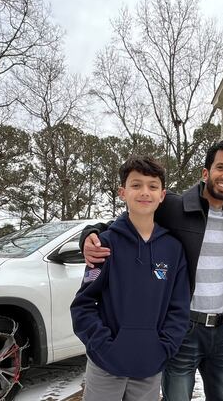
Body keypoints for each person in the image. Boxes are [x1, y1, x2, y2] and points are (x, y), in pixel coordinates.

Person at [82, 140, 223, 401]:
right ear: (205, 172)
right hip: (185, 330)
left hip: (219, 329)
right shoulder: (176, 207)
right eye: (221, 167)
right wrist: (90, 234)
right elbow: (131, 218)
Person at [70, 155, 190, 401]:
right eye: (136, 185)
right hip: (105, 366)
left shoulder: (173, 249)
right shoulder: (104, 244)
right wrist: (102, 346)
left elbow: (178, 309)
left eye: (152, 186)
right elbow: (83, 305)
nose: (145, 192)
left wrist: (163, 348)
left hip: (149, 366)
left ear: (162, 195)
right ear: (122, 192)